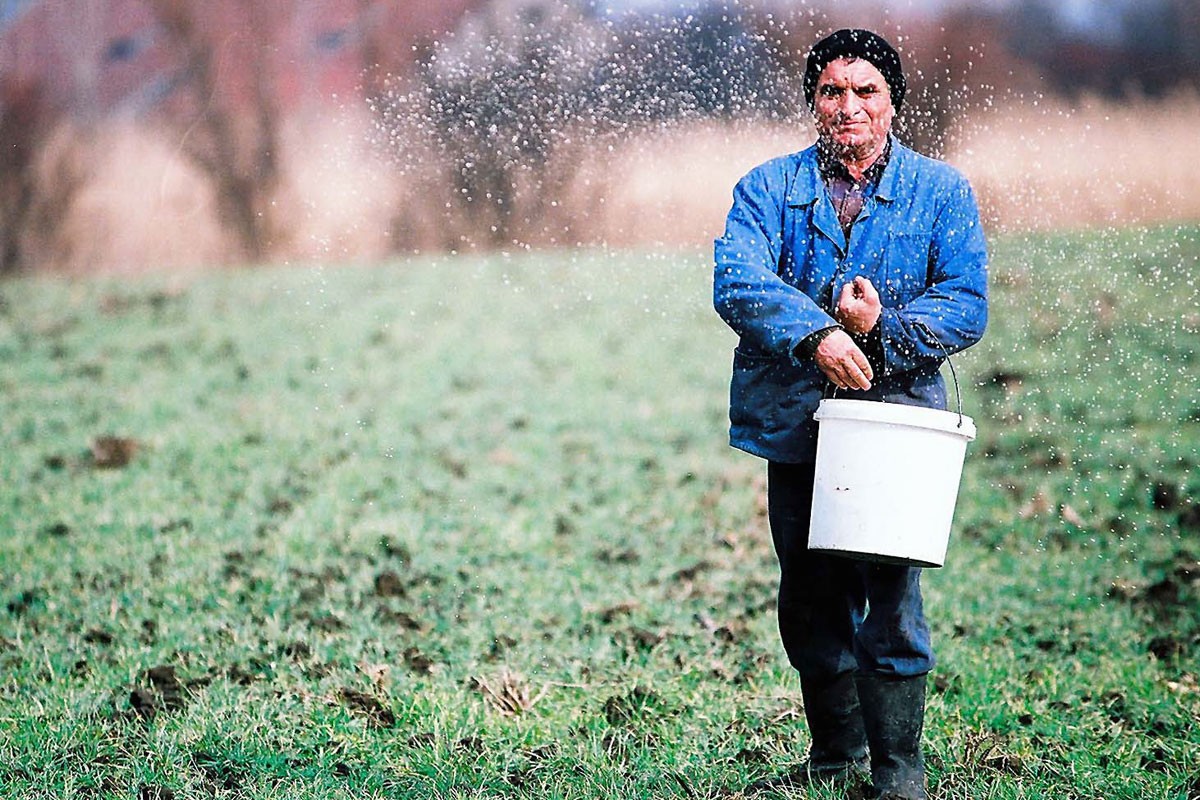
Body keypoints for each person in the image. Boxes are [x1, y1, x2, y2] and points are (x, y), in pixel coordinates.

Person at [713, 28, 988, 800]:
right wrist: (818, 335)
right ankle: (835, 755)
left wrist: (880, 333)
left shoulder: (942, 192)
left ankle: (898, 771)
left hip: (894, 427)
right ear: (813, 101)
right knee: (807, 591)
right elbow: (737, 280)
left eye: (866, 91)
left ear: (893, 102)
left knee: (892, 598)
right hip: (794, 426)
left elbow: (965, 305)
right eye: (832, 91)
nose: (849, 106)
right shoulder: (767, 188)